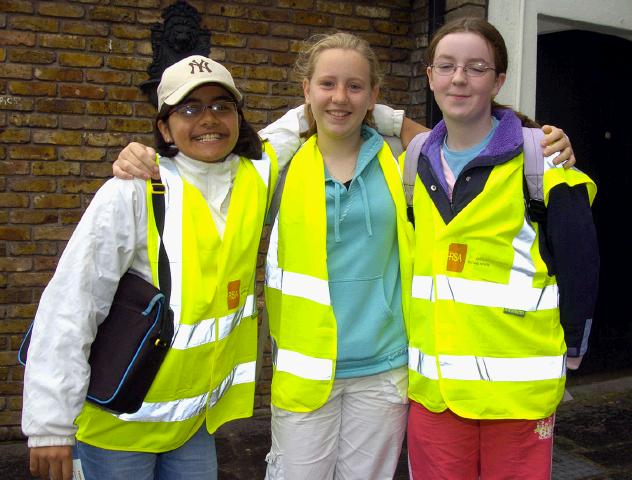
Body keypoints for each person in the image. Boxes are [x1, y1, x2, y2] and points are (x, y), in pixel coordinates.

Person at [113, 36, 575, 480]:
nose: (340, 97)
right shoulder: (277, 166)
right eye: (327, 84)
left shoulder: (406, 162)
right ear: (305, 91)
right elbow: (203, 166)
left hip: (385, 369)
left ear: (373, 94)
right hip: (307, 373)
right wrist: (144, 156)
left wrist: (543, 141)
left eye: (355, 86)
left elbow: (461, 138)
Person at [22, 55, 281, 480]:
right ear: (164, 126)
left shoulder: (255, 174)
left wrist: (397, 120)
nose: (209, 119)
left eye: (222, 105)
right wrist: (50, 425)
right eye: (190, 108)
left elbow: (320, 106)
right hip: (118, 426)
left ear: (238, 116)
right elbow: (72, 302)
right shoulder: (133, 190)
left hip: (191, 423)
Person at [404, 17, 599, 479]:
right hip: (435, 393)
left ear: (498, 80)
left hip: (517, 395)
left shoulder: (544, 159)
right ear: (429, 76)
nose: (459, 78)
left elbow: (580, 264)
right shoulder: (412, 162)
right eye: (446, 66)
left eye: (476, 67)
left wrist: (573, 348)